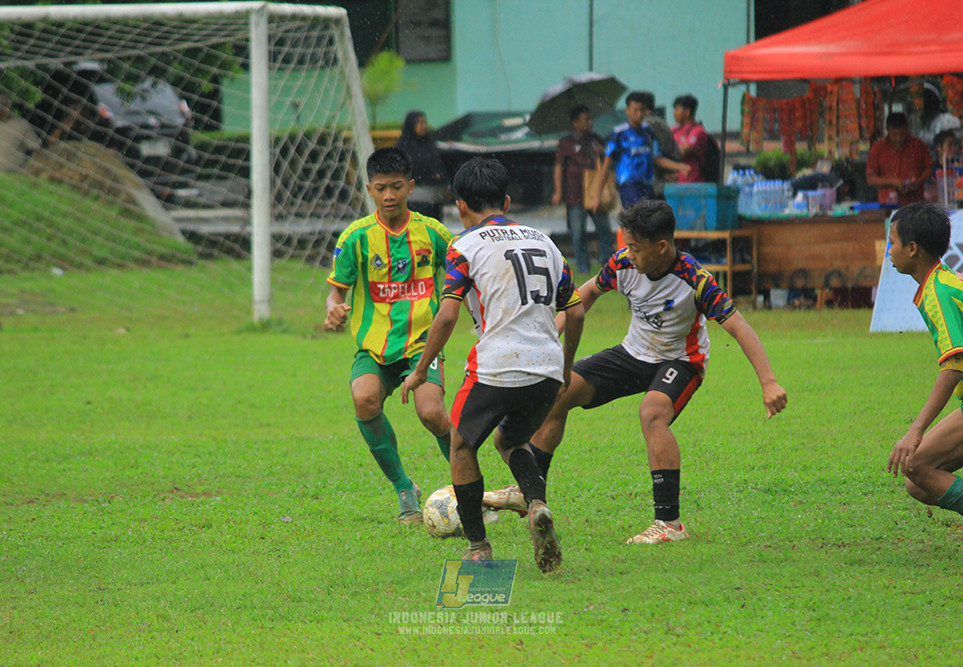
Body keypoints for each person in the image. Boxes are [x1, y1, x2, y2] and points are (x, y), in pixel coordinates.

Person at [508, 200, 787, 545]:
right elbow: (587, 293)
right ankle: (531, 494)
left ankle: (670, 523)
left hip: (681, 361)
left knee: (652, 413)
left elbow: (740, 328)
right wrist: (551, 335)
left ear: (662, 247)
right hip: (633, 353)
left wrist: (769, 382)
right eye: (626, 244)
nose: (628, 253)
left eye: (636, 247)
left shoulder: (695, 280)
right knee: (559, 394)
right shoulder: (624, 263)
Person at [401, 157, 585, 572]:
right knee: (510, 441)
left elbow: (447, 315)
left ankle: (479, 547)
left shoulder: (464, 246)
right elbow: (574, 314)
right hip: (547, 367)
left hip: (496, 365)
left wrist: (419, 370)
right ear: (505, 200)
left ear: (460, 205)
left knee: (463, 445)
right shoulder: (547, 242)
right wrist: (566, 368)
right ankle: (536, 505)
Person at [325, 146, 455, 524]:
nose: (389, 196)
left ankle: (468, 487)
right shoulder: (356, 238)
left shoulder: (433, 233)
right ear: (369, 189)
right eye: (381, 188)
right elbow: (337, 290)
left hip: (422, 344)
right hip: (374, 347)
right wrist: (333, 306)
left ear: (411, 186)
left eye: (396, 187)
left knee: (431, 413)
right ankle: (404, 488)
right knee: (364, 399)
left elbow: (466, 269)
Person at [885, 202, 963, 563]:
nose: (888, 251)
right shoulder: (944, 280)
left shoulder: (939, 291)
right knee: (917, 481)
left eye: (892, 242)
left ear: (912, 249)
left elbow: (952, 367)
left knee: (917, 464)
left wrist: (915, 430)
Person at [586, 91, 689, 213]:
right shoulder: (619, 134)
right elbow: (606, 166)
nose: (639, 114)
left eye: (642, 110)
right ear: (627, 110)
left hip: (648, 186)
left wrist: (679, 166)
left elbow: (657, 159)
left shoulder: (648, 132)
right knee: (639, 219)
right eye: (635, 110)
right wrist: (597, 196)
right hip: (628, 186)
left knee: (649, 223)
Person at [552, 105, 614, 273]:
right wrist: (558, 191)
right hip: (575, 195)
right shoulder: (565, 143)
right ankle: (583, 267)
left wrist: (602, 153)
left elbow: (609, 162)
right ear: (575, 122)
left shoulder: (596, 140)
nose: (589, 123)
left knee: (604, 230)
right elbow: (559, 168)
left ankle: (608, 265)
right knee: (578, 234)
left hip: (595, 193)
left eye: (590, 119)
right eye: (585, 119)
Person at [866, 112, 933, 207]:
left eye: (902, 134)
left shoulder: (918, 145)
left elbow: (929, 169)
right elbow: (870, 179)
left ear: (906, 129)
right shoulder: (877, 149)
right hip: (887, 204)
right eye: (894, 135)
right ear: (888, 130)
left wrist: (917, 182)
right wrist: (892, 182)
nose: (898, 138)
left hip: (915, 203)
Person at [395, 110, 449, 220]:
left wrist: (443, 182)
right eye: (419, 123)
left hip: (435, 199)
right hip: (415, 200)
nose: (423, 126)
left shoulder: (429, 144)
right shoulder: (403, 147)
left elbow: (439, 166)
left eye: (424, 122)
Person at [0, 93, 41, 173]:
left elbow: (36, 148)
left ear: (8, 108)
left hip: (14, 175)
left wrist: (31, 167)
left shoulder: (22, 125)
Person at [672, 94, 710, 184]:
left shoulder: (698, 131)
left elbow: (682, 153)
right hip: (675, 185)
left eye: (677, 109)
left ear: (687, 112)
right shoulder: (674, 130)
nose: (674, 113)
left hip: (693, 184)